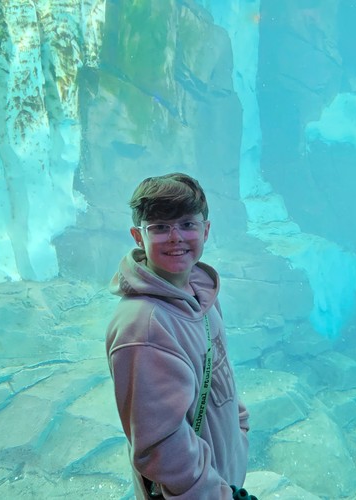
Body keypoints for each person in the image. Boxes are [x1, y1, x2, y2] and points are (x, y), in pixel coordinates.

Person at [106, 173, 250, 499]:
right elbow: (162, 446)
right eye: (159, 227)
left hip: (220, 481)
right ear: (138, 236)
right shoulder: (144, 327)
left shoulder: (201, 293)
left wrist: (239, 427)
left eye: (187, 224)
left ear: (206, 230)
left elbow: (218, 374)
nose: (176, 237)